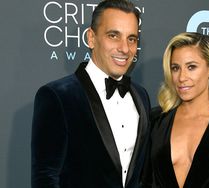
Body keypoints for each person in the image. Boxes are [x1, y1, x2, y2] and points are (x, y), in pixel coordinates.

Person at [31, 0, 151, 187]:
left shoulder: (141, 96)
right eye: (113, 35)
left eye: (132, 39)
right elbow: (45, 177)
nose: (125, 49)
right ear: (91, 38)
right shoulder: (57, 97)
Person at [141, 32, 209, 188]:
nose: (182, 77)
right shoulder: (155, 119)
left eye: (191, 67)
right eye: (175, 68)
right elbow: (144, 181)